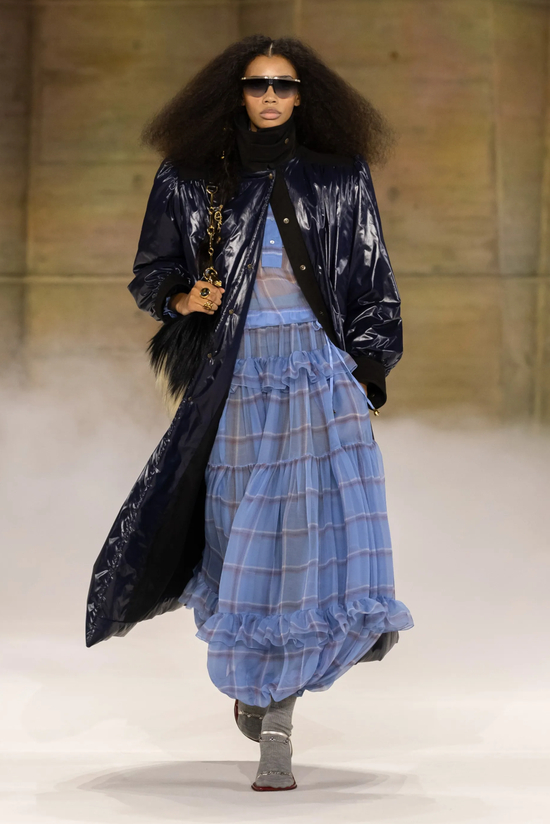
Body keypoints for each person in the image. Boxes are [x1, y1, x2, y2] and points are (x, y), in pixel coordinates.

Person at [85, 34, 414, 792]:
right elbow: (152, 273)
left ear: (304, 95)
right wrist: (182, 297)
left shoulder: (339, 176)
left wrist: (367, 372)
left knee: (303, 537)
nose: (270, 96)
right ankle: (258, 687)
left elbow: (372, 280)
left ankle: (277, 721)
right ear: (235, 93)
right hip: (235, 375)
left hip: (317, 375)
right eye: (258, 84)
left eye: (284, 85)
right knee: (240, 535)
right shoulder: (190, 177)